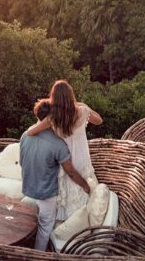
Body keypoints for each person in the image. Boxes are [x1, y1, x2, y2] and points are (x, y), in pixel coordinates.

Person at [26, 80, 103, 219]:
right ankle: (83, 222)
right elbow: (99, 120)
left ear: (54, 98)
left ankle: (66, 225)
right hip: (81, 160)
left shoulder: (52, 119)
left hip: (64, 162)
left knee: (66, 198)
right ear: (71, 95)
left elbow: (31, 133)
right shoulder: (83, 111)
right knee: (84, 195)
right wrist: (85, 106)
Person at [20, 100, 91, 250]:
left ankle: (24, 245)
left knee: (33, 220)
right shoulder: (57, 144)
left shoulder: (26, 135)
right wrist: (85, 185)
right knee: (46, 227)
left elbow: (22, 162)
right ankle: (38, 256)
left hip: (28, 186)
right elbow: (70, 172)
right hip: (46, 192)